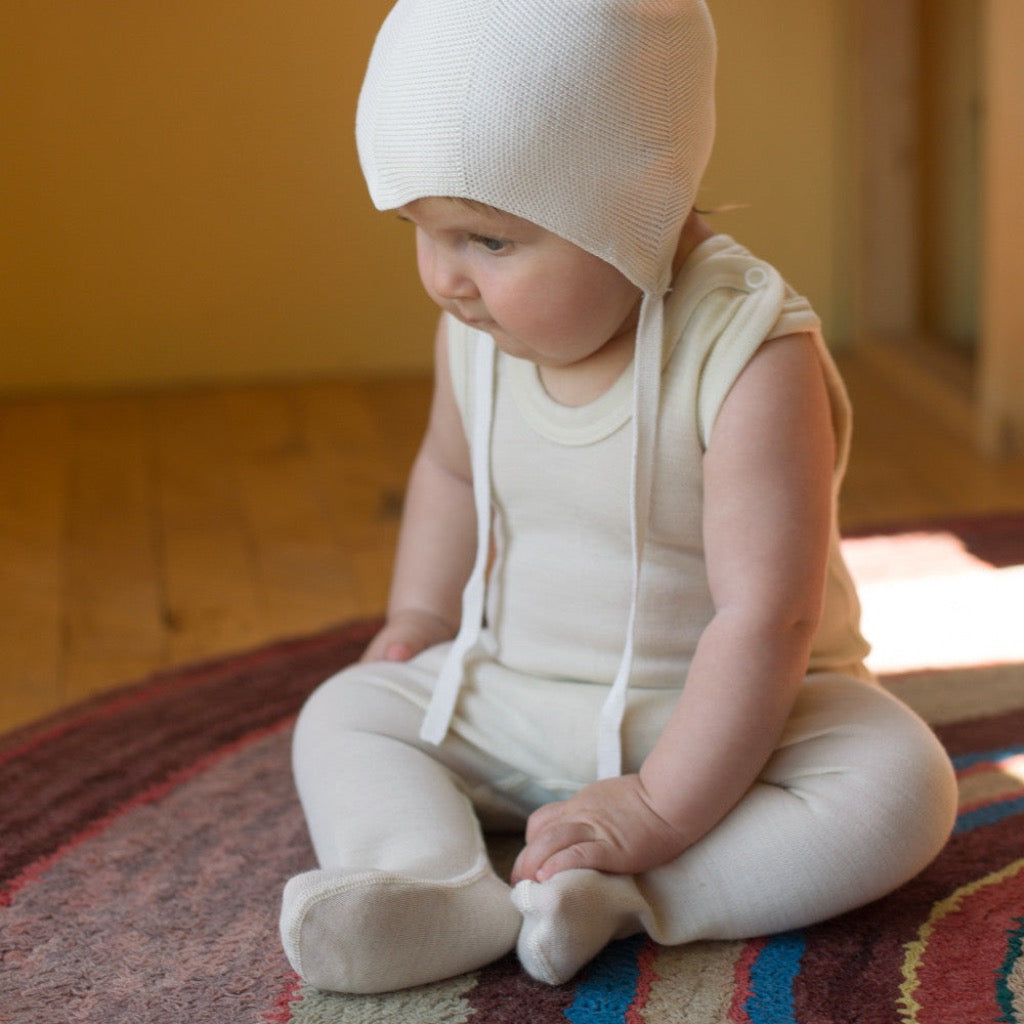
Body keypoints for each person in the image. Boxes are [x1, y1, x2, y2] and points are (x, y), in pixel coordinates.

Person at [279, 0, 958, 994]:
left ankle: (630, 895)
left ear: (633, 206)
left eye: (485, 240)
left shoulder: (747, 353)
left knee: (900, 783)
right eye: (420, 232)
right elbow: (450, 474)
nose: (444, 280)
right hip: (513, 688)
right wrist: (418, 618)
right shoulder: (475, 336)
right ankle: (433, 886)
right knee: (344, 714)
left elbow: (767, 615)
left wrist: (655, 807)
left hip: (730, 713)